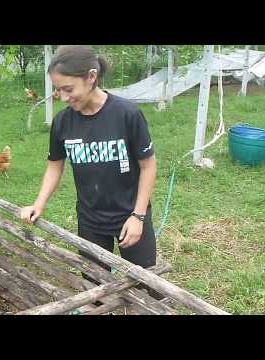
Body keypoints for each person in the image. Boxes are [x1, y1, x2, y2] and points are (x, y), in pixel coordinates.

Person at [20, 45, 157, 284]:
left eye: (68, 89)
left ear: (91, 77)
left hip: (131, 214)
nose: (62, 97)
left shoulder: (127, 114)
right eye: (58, 90)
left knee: (145, 284)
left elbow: (148, 166)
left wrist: (138, 216)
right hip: (90, 219)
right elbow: (55, 165)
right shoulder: (63, 122)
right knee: (93, 283)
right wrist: (38, 204)